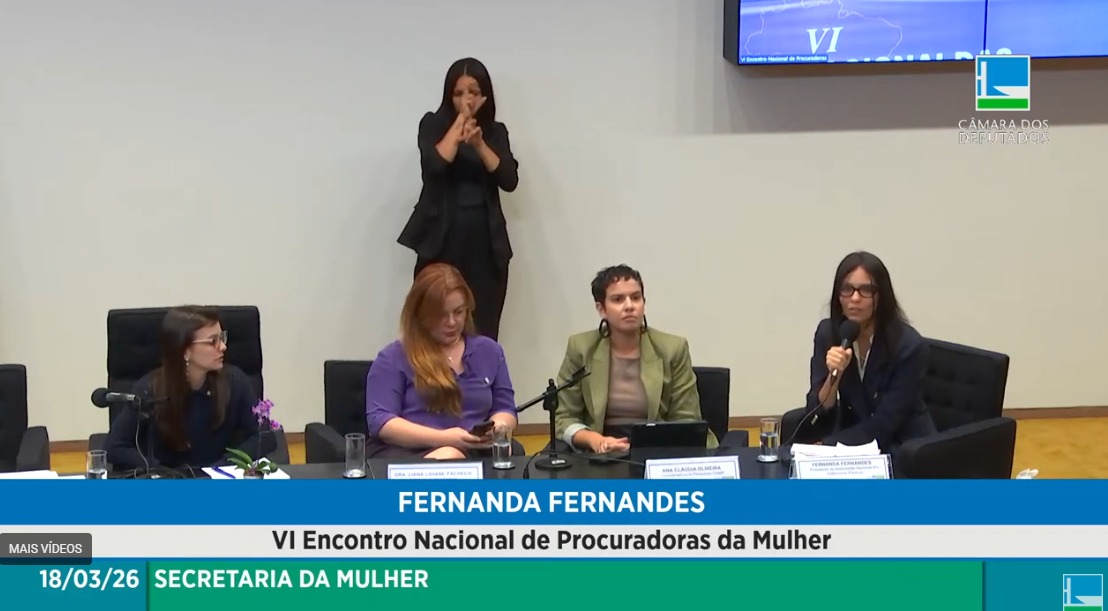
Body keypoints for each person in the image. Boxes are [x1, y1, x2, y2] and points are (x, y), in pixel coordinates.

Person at [397, 57, 519, 341]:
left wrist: (479, 144)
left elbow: (509, 180)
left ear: (485, 96)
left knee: (483, 329)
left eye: (474, 92)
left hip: (485, 246)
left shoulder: (495, 132)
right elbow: (434, 167)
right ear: (448, 96)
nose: (467, 100)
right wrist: (460, 123)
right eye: (459, 93)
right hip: (441, 242)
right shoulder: (432, 124)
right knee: (432, 323)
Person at [554, 265, 718, 453]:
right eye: (618, 299)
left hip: (658, 448)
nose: (629, 306)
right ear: (602, 309)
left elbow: (687, 419)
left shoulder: (673, 348)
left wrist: (642, 448)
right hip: (599, 452)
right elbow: (564, 416)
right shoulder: (581, 348)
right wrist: (594, 440)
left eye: (635, 297)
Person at [364, 263, 518, 459]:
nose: (452, 322)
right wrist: (444, 439)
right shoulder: (393, 357)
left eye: (458, 312)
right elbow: (381, 421)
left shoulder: (490, 351)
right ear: (420, 315)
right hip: (410, 451)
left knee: (508, 450)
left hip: (473, 448)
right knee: (450, 455)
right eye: (441, 315)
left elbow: (505, 408)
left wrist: (499, 427)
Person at [789, 251, 937, 451]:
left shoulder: (908, 346)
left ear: (881, 296)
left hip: (904, 448)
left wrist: (827, 447)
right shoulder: (829, 333)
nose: (855, 298)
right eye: (847, 289)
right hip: (853, 441)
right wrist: (834, 376)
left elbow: (885, 424)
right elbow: (819, 409)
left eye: (866, 290)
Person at [104, 306, 276, 470]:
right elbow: (115, 447)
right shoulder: (150, 389)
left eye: (222, 337)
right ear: (185, 350)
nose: (223, 346)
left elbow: (265, 436)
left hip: (218, 479)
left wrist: (223, 466)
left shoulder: (235, 381)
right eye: (213, 341)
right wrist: (159, 470)